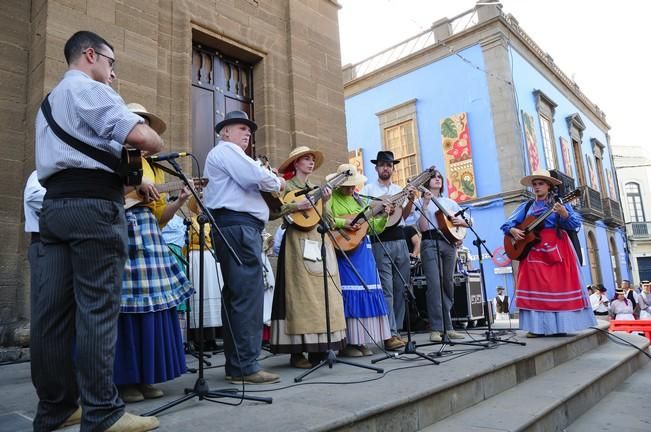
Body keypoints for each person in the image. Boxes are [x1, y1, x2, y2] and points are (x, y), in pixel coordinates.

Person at [33, 31, 161, 431]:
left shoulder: (48, 103)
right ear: (90, 55)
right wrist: (152, 137)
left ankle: (55, 409)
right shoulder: (90, 89)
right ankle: (102, 412)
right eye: (110, 63)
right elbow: (143, 138)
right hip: (92, 210)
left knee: (52, 315)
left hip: (55, 209)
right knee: (97, 311)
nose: (112, 74)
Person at [113, 103, 193, 403]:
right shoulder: (115, 154)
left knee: (155, 306)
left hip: (149, 232)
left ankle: (147, 375)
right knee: (127, 306)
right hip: (123, 231)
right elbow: (108, 192)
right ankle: (125, 379)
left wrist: (180, 199)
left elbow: (160, 215)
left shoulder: (155, 168)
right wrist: (135, 187)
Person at [203, 110, 285, 384]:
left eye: (249, 130)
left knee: (240, 295)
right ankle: (245, 366)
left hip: (237, 227)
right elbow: (257, 178)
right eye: (241, 128)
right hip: (237, 227)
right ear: (225, 132)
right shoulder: (227, 151)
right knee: (247, 296)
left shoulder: (229, 154)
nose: (247, 133)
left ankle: (239, 364)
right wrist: (278, 181)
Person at [269, 146, 347, 368]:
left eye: (313, 159)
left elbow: (329, 222)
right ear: (296, 163)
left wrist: (328, 202)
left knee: (323, 295)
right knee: (299, 296)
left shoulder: (318, 188)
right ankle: (297, 351)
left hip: (319, 241)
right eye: (306, 159)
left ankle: (319, 348)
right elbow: (274, 212)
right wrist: (296, 205)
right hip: (296, 242)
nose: (311, 163)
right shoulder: (287, 187)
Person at [500, 169, 596, 337]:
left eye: (541, 184)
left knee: (558, 285)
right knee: (534, 286)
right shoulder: (527, 206)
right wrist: (514, 230)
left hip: (557, 247)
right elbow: (508, 224)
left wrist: (564, 213)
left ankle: (560, 326)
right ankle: (537, 328)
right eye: (534, 184)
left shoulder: (560, 203)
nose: (536, 187)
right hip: (532, 250)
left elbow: (573, 224)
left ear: (549, 186)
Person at [327, 163, 392, 356]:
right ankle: (348, 343)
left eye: (352, 184)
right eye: (346, 184)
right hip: (345, 250)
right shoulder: (332, 199)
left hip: (363, 250)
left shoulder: (359, 201)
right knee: (350, 290)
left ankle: (362, 340)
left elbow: (372, 227)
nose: (350, 188)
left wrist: (384, 216)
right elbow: (327, 219)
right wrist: (345, 222)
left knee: (368, 288)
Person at [360, 151, 416, 350]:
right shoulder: (368, 189)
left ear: (393, 168)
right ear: (376, 168)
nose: (386, 168)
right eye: (382, 164)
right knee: (387, 289)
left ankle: (397, 330)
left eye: (389, 165)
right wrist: (381, 210)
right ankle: (388, 333)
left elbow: (405, 217)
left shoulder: (399, 189)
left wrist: (409, 200)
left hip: (400, 239)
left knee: (401, 287)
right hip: (379, 240)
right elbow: (365, 215)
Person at [417, 170, 471, 342]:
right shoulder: (420, 201)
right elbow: (423, 228)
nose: (438, 179)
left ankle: (449, 327)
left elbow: (469, 221)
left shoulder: (450, 202)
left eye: (440, 177)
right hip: (429, 242)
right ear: (426, 182)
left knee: (448, 282)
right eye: (434, 177)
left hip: (449, 243)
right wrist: (425, 205)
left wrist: (461, 223)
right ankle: (436, 328)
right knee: (434, 284)